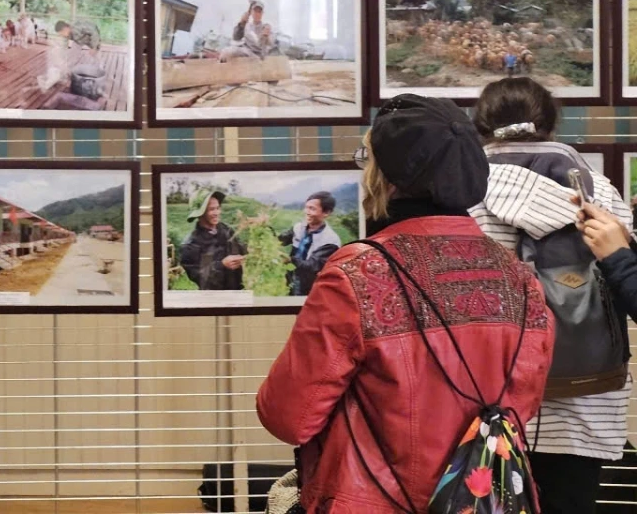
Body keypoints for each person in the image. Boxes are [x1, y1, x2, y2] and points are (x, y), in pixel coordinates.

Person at [256, 94, 553, 514]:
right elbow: (517, 406)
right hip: (485, 502)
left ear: (386, 176)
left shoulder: (357, 274)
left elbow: (288, 416)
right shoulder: (520, 279)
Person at [470, 76, 633, 514]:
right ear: (550, 123)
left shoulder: (463, 198)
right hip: (588, 402)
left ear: (480, 127)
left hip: (489, 405)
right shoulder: (600, 194)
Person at [177, 190, 245, 290]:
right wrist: (222, 265)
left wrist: (251, 250)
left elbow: (241, 247)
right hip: (212, 298)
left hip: (238, 292)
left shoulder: (226, 230)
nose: (217, 213)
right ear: (200, 213)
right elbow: (200, 276)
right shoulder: (190, 245)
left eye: (218, 208)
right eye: (211, 209)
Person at [279, 191, 342, 296]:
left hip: (309, 284)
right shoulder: (299, 227)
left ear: (326, 212)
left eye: (312, 209)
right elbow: (280, 240)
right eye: (306, 207)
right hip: (291, 275)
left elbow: (312, 266)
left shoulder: (330, 240)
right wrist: (264, 227)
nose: (306, 212)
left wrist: (290, 260)